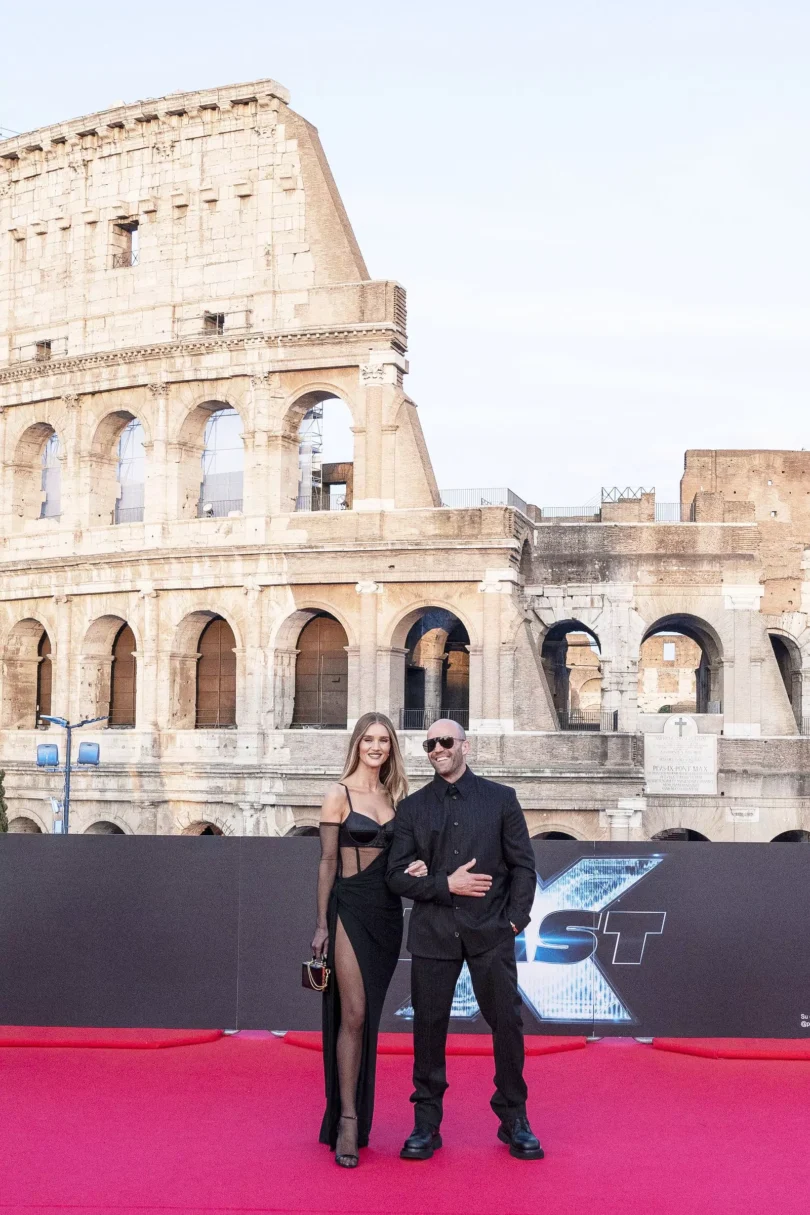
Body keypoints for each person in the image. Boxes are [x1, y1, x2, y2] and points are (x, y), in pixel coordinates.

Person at [386, 719, 543, 1161]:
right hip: (433, 934)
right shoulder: (412, 808)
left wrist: (514, 921)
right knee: (428, 1029)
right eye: (430, 743)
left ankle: (515, 1119)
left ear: (464, 746)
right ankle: (426, 1123)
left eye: (446, 741)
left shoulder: (500, 800)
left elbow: (523, 867)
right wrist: (443, 884)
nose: (438, 749)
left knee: (507, 1025)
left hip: (490, 932)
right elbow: (395, 876)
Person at [311, 711, 427, 1168]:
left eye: (383, 740)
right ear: (357, 744)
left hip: (386, 915)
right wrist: (321, 924)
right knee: (353, 1014)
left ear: (391, 748)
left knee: (369, 1018)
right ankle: (347, 1120)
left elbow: (401, 863)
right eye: (368, 740)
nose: (375, 747)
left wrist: (415, 868)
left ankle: (357, 1114)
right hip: (348, 909)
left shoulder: (396, 798)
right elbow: (325, 863)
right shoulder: (338, 794)